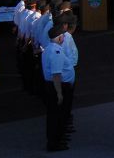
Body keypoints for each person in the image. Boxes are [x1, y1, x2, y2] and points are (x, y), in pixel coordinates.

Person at [42, 24, 75, 152]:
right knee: (57, 116)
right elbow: (56, 75)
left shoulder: (48, 48)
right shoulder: (55, 51)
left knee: (55, 115)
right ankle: (55, 142)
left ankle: (56, 139)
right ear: (60, 38)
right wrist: (59, 93)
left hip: (54, 86)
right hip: (58, 87)